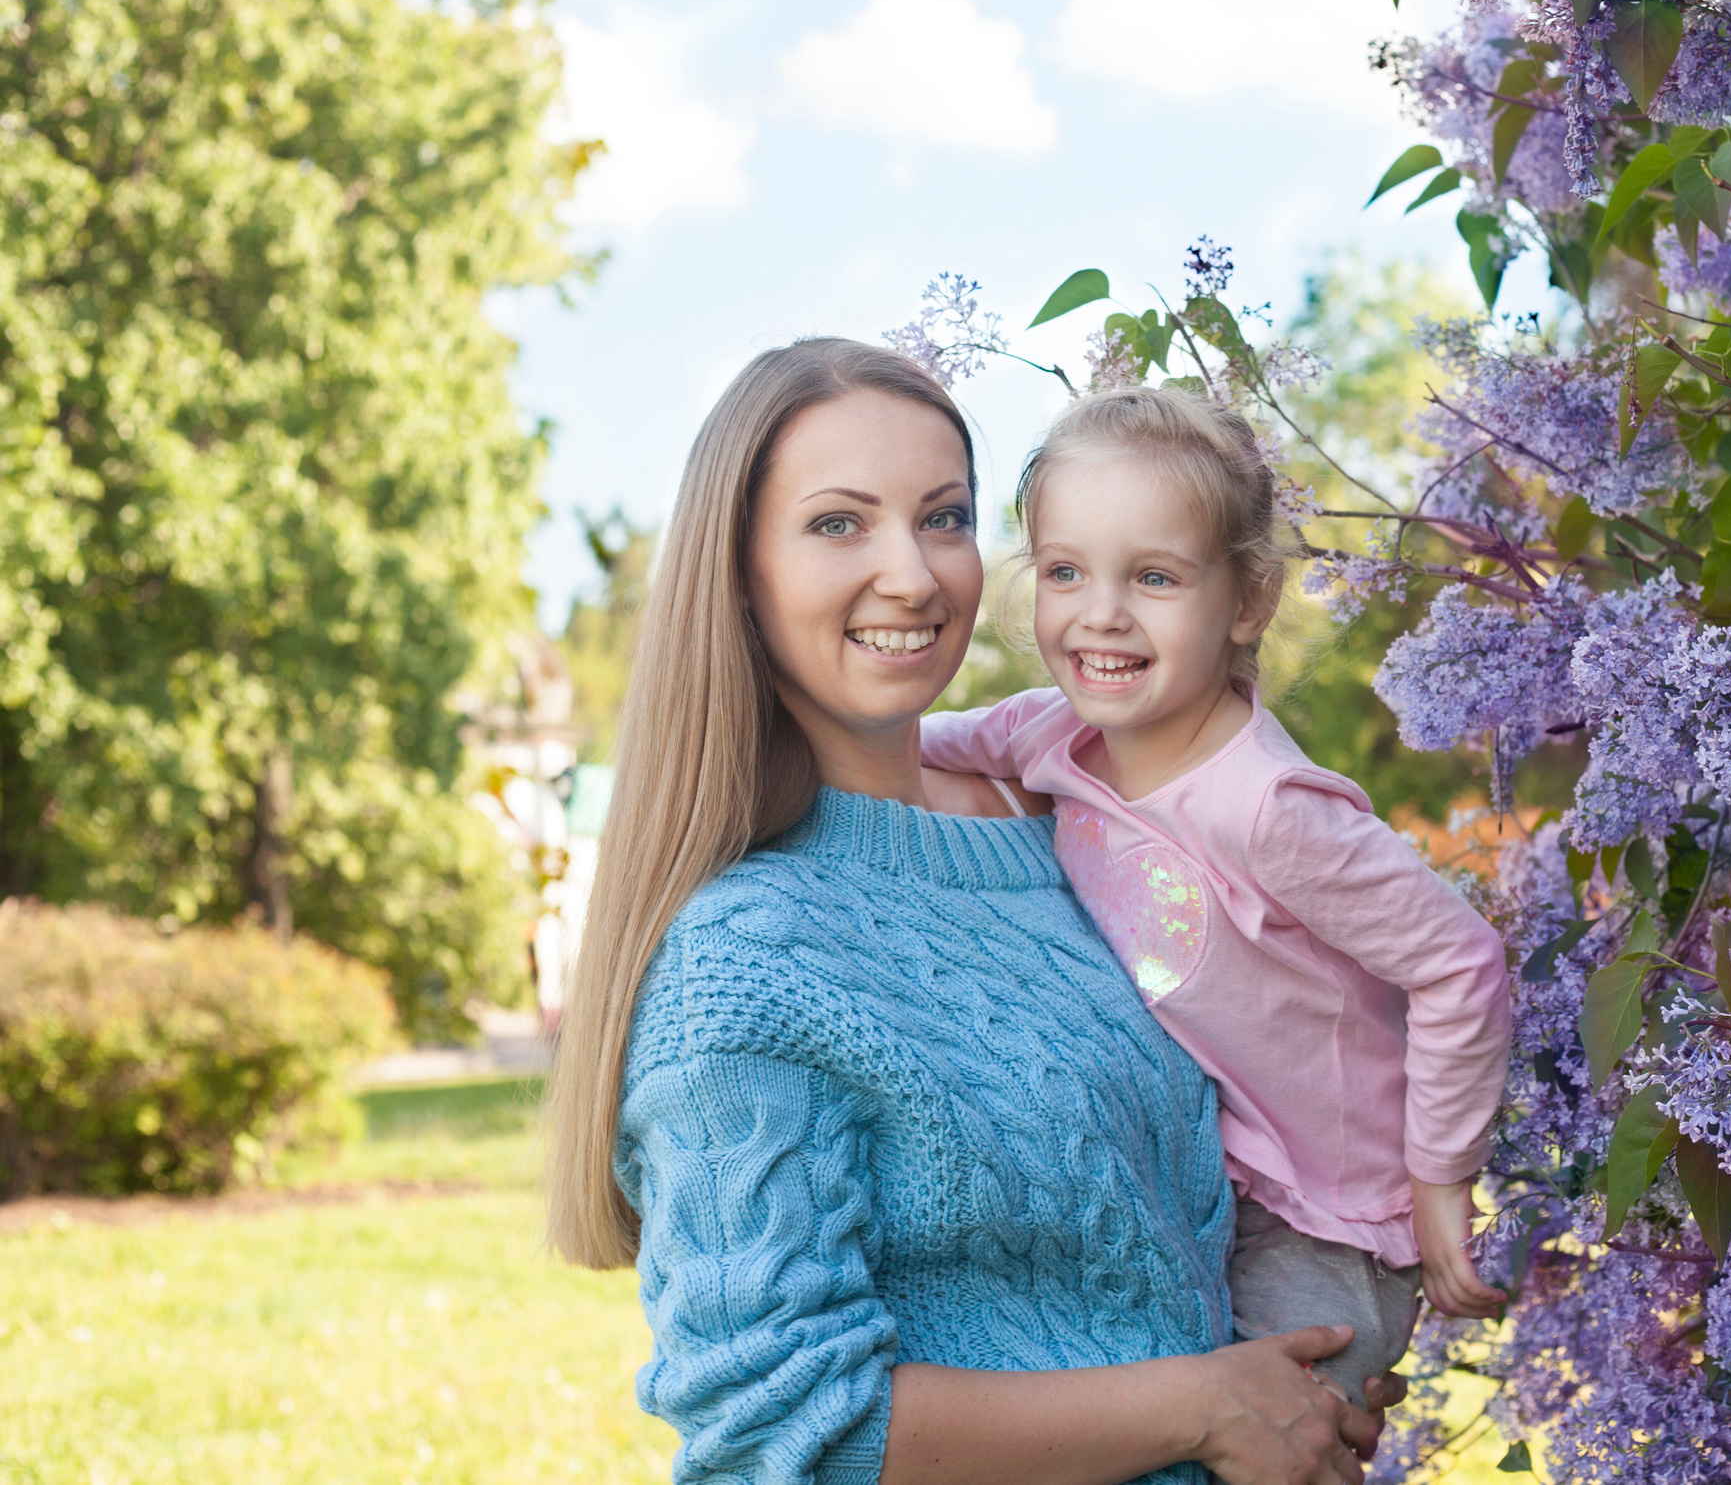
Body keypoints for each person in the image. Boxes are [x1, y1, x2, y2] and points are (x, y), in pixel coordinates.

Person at [544, 340, 1390, 1485]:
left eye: (943, 518)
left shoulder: (1071, 806)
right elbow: (782, 1424)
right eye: (838, 524)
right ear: (739, 573)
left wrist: (1317, 1353)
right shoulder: (740, 963)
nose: (912, 575)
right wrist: (1206, 1408)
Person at [919, 387, 1514, 1408]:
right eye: (1064, 571)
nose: (1101, 613)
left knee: (1271, 1434)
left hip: (1328, 1212)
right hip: (1198, 1173)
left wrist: (1438, 1177)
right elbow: (895, 747)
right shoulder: (1047, 732)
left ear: (1246, 601)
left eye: (1154, 576)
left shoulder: (1268, 809)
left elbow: (1460, 962)